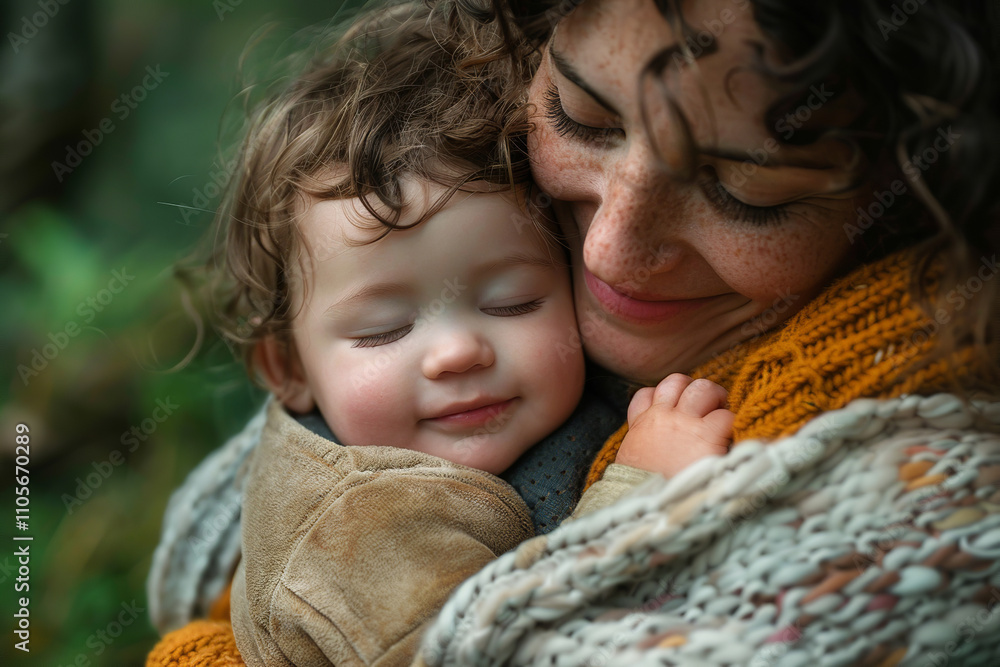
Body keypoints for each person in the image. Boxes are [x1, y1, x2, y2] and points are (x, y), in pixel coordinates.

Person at [147, 0, 1000, 664]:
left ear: (924, 190)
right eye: (584, 118)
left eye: (750, 192)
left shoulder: (927, 493)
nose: (609, 251)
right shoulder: (461, 172)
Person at [148, 3, 735, 665]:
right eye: (384, 329)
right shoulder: (354, 530)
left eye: (513, 302)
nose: (458, 352)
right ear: (287, 368)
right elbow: (496, 650)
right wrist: (643, 494)